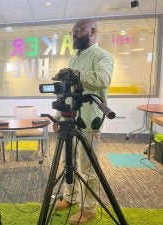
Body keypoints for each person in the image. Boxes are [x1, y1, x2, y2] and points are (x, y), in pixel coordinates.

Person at [53, 18, 114, 224]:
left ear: (93, 31)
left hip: (89, 120)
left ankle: (88, 210)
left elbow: (103, 79)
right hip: (70, 119)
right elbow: (68, 92)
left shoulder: (103, 56)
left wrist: (77, 74)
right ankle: (70, 198)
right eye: (73, 31)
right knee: (67, 162)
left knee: (87, 168)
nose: (74, 34)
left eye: (79, 30)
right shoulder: (74, 58)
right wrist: (59, 116)